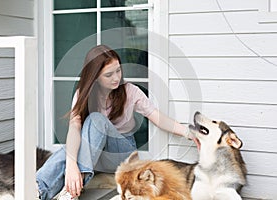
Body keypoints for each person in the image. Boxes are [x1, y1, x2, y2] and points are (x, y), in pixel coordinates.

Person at [36, 45, 199, 200]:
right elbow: (74, 127)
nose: (116, 78)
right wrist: (71, 165)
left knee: (96, 120)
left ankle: (72, 191)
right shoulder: (83, 94)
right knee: (69, 148)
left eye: (118, 71)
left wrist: (188, 133)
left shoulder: (130, 91)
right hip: (93, 154)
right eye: (109, 75)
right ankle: (37, 190)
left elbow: (157, 116)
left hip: (120, 153)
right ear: (95, 77)